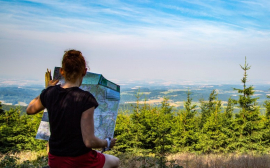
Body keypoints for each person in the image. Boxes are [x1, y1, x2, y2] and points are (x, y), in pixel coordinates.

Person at [26, 49, 119, 168]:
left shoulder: (49, 93)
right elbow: (89, 141)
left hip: (55, 160)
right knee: (115, 161)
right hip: (79, 160)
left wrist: (47, 90)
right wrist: (107, 143)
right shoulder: (86, 99)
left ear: (61, 71)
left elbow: (30, 110)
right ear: (85, 72)